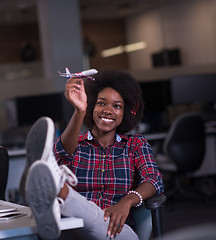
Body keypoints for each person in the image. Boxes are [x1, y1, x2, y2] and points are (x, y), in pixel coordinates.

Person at [20, 70, 164, 240]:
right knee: (75, 221)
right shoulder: (76, 143)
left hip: (117, 230)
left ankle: (59, 192)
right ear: (91, 106)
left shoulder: (135, 144)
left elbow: (154, 179)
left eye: (116, 106)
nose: (108, 110)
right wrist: (79, 111)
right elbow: (60, 154)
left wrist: (127, 201)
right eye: (101, 103)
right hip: (76, 226)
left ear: (125, 112)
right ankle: (57, 191)